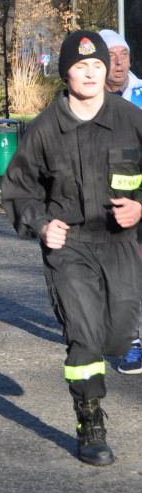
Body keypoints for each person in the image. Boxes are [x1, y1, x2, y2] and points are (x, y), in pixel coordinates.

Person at [1, 30, 142, 466]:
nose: (90, 73)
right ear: (66, 73)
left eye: (97, 66)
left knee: (118, 338)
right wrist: (42, 226)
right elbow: (17, 190)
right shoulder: (46, 127)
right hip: (69, 246)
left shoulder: (130, 118)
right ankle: (90, 419)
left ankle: (106, 363)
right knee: (84, 335)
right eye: (80, 66)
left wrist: (140, 208)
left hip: (119, 243)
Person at [99, 29, 142, 373]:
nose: (118, 62)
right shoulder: (85, 98)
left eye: (123, 54)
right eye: (110, 56)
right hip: (102, 203)